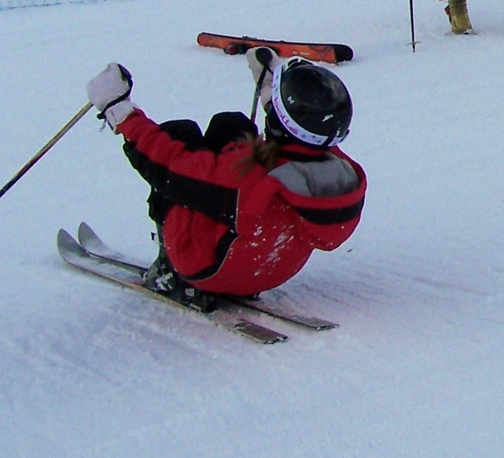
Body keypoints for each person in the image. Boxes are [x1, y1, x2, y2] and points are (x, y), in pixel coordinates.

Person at [84, 49, 366, 305]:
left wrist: (118, 110)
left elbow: (168, 162)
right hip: (271, 266)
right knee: (231, 125)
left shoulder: (249, 182)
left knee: (178, 142)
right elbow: (301, 132)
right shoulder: (340, 171)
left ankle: (171, 273)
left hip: (212, 270)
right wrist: (270, 86)